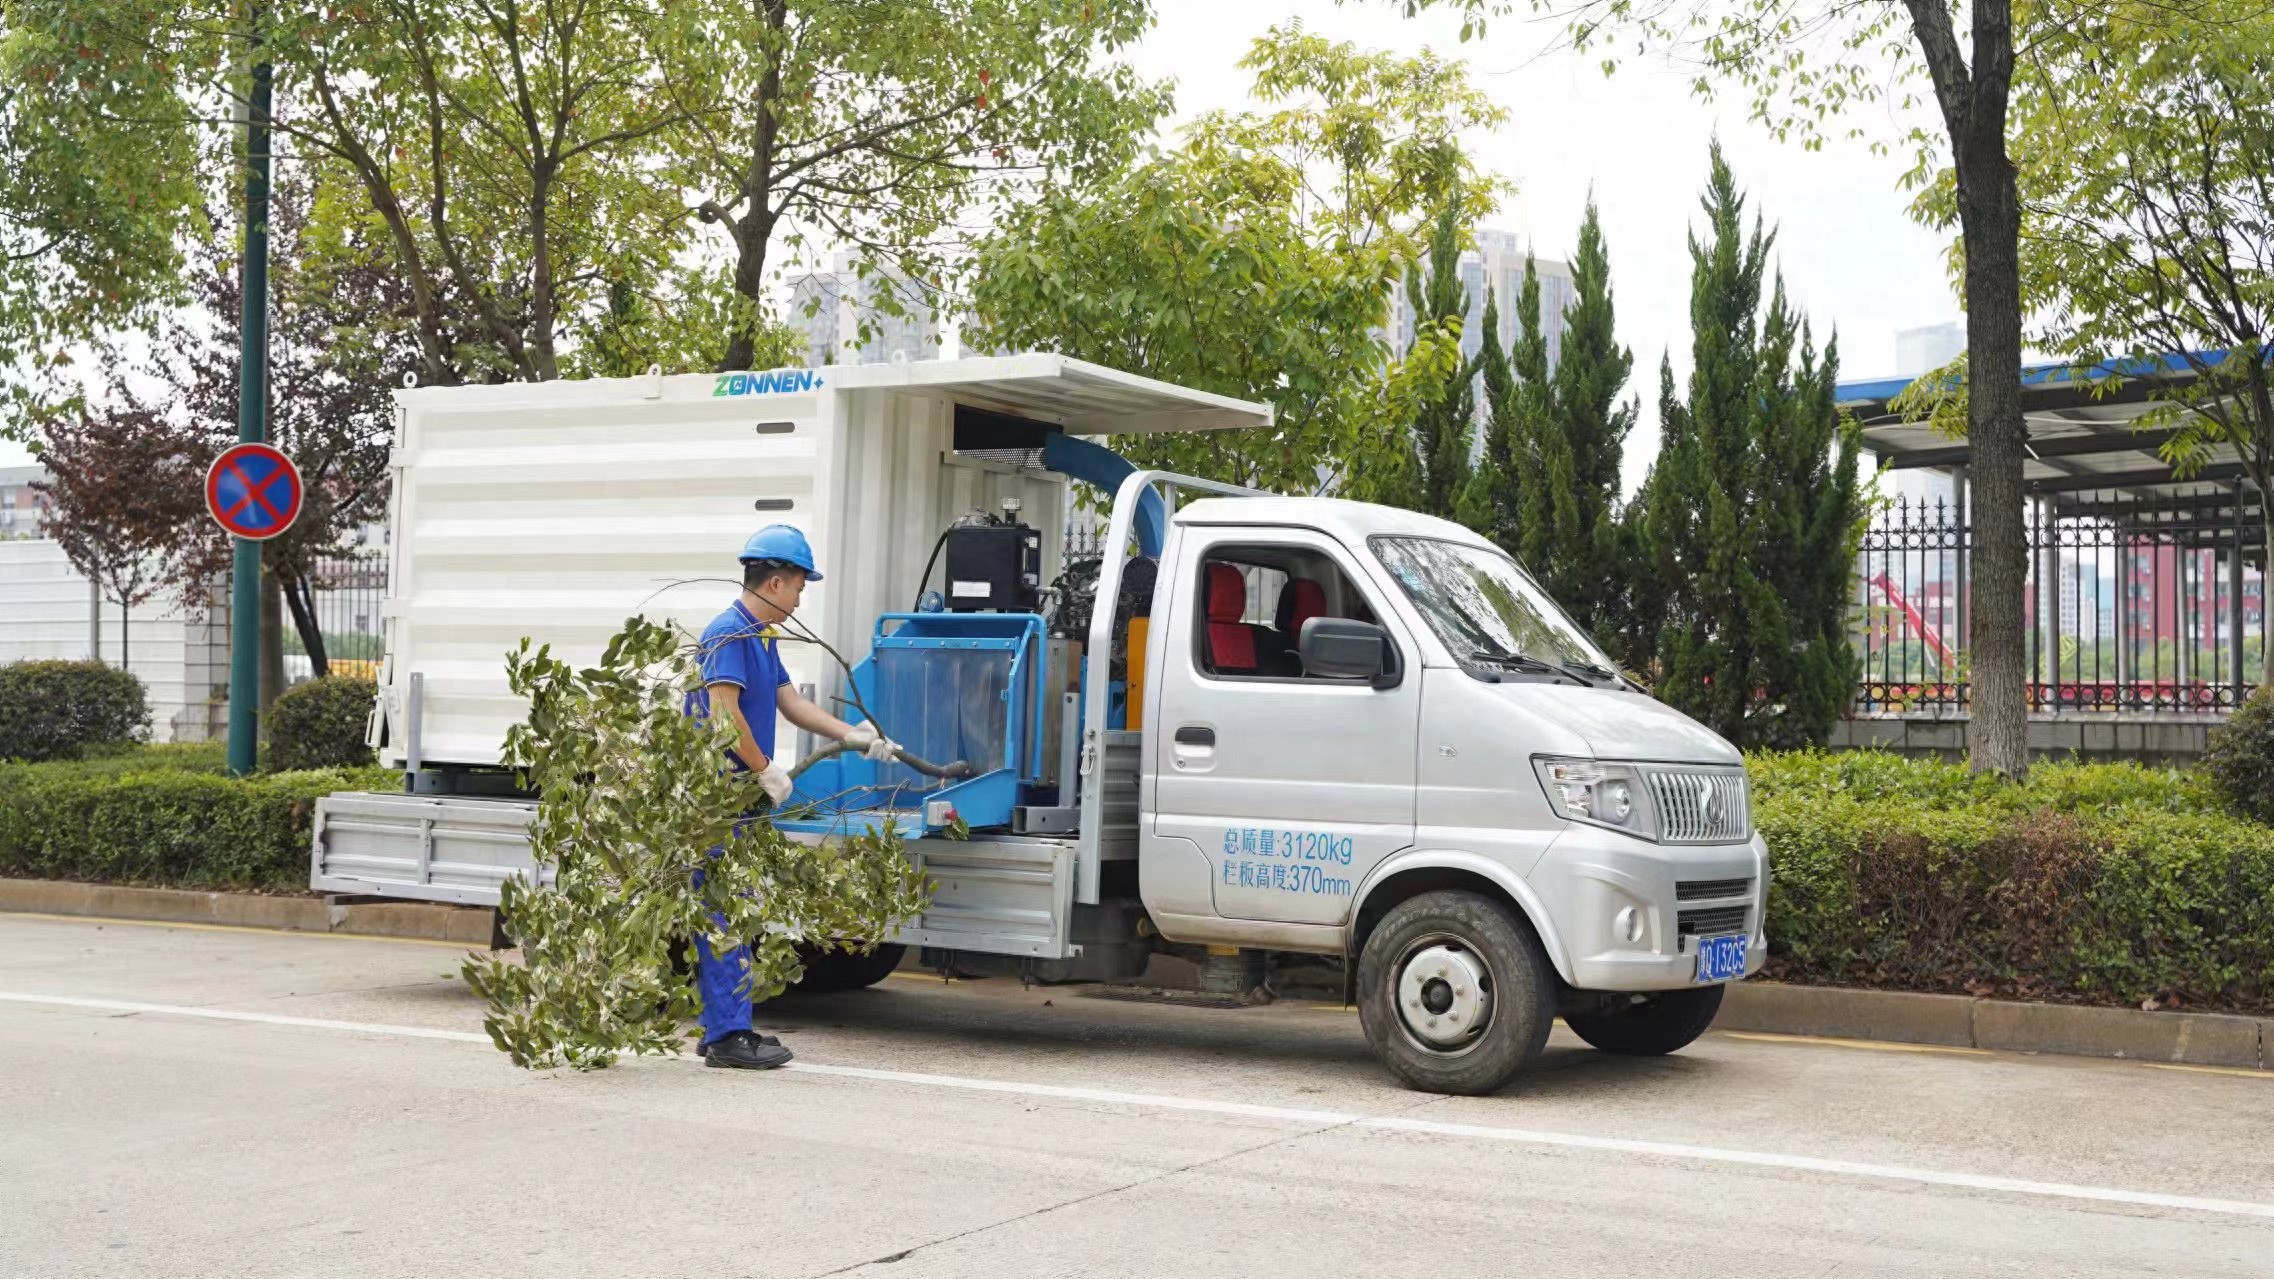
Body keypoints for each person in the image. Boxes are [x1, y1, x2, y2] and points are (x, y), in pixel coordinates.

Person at [687, 524, 898, 1070]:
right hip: (717, 797)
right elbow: (722, 714)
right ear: (777, 582)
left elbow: (788, 702)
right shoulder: (728, 635)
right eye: (801, 587)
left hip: (739, 796)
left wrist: (851, 735)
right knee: (723, 911)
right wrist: (766, 771)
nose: (801, 598)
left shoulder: (760, 638)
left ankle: (723, 1030)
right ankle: (729, 1036)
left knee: (732, 908)